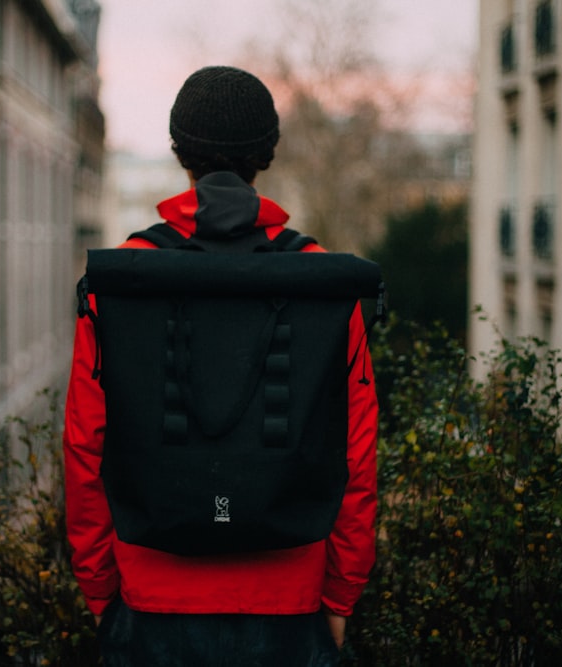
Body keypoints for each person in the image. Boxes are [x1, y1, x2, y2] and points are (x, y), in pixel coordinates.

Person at [63, 65, 378, 666]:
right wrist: (340, 595)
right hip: (290, 601)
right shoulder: (319, 280)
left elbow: (85, 448)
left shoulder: (123, 277)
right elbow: (355, 454)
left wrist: (102, 589)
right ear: (268, 154)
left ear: (179, 149)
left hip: (150, 596)